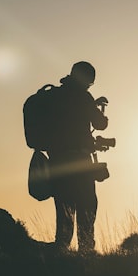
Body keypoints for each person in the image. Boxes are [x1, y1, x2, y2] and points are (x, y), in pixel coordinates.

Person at [46, 61, 108, 252]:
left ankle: (61, 252)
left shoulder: (53, 96)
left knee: (64, 210)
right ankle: (86, 253)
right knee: (87, 207)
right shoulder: (83, 97)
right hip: (79, 162)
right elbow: (100, 124)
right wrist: (101, 112)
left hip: (56, 163)